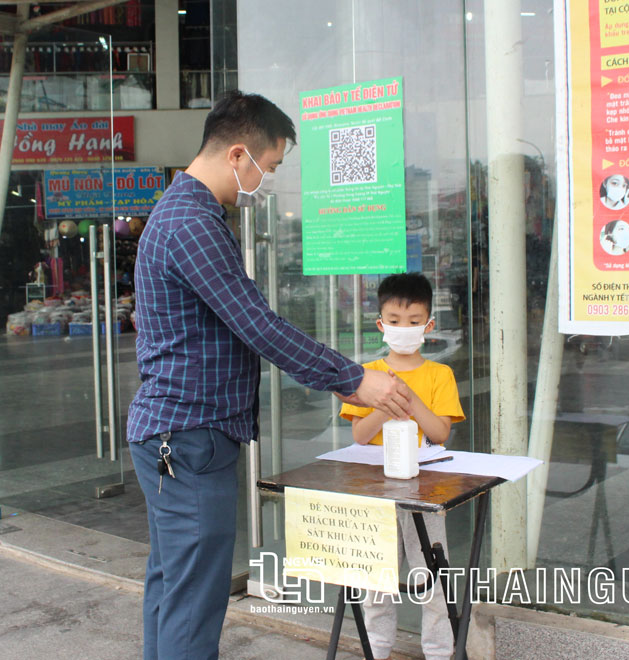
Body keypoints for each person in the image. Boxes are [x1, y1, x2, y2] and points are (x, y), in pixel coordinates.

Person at [127, 90, 411, 660]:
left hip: (174, 433)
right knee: (193, 600)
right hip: (190, 434)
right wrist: (353, 378)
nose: (267, 180)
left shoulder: (181, 213)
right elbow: (256, 324)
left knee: (174, 587)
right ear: (238, 154)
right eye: (270, 166)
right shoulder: (192, 224)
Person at [340, 273, 466, 660]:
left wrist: (408, 397)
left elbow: (439, 433)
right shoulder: (367, 375)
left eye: (414, 321)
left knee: (431, 573)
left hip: (425, 489)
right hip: (375, 491)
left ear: (429, 325)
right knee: (376, 575)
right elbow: (360, 435)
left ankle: (440, 650)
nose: (404, 327)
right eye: (395, 320)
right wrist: (384, 401)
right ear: (381, 324)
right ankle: (376, 648)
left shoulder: (440, 374)